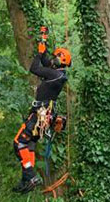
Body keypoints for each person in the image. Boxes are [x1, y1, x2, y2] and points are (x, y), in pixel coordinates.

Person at [12, 31, 71, 193]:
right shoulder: (58, 75)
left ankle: (30, 175)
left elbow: (35, 67)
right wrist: (42, 41)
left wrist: (38, 54)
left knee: (19, 143)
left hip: (40, 115)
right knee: (29, 145)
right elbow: (45, 60)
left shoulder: (54, 74)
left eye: (55, 58)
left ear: (60, 60)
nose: (52, 60)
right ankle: (27, 179)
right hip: (44, 116)